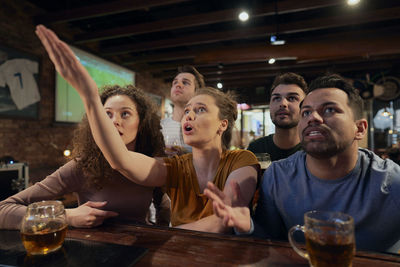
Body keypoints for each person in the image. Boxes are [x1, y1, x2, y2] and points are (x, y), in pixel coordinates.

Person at [35, 25, 259, 233]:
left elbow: (221, 221)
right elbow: (121, 160)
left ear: (223, 124)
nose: (189, 114)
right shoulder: (176, 166)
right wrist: (90, 97)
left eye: (200, 110)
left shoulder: (242, 160)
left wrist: (160, 236)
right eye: (188, 110)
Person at [205, 74, 400, 252]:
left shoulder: (391, 181)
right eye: (306, 112)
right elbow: (270, 239)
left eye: (330, 109)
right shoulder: (277, 176)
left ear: (360, 128)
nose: (313, 117)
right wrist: (248, 226)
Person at [0, 85, 166, 229]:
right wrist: (66, 216)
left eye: (125, 114)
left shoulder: (151, 163)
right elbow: (4, 209)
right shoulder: (83, 165)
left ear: (142, 122)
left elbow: (164, 207)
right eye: (107, 114)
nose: (113, 121)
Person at [247, 72, 307, 161]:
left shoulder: (313, 150)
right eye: (277, 98)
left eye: (292, 98)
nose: (283, 104)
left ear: (305, 106)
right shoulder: (256, 149)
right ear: (270, 105)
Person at [161, 65, 205, 155]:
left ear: (197, 92)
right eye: (175, 82)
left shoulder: (202, 128)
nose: (178, 85)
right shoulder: (158, 126)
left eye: (185, 83)